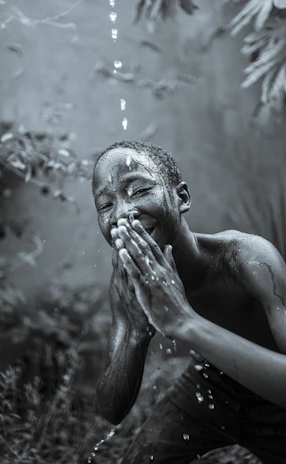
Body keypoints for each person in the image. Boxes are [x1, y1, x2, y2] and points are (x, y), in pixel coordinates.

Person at [92, 140, 286, 464]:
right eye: (105, 205)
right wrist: (137, 335)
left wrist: (185, 322)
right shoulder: (128, 283)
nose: (122, 213)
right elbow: (109, 411)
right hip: (213, 384)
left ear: (181, 198)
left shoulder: (248, 260)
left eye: (138, 190)